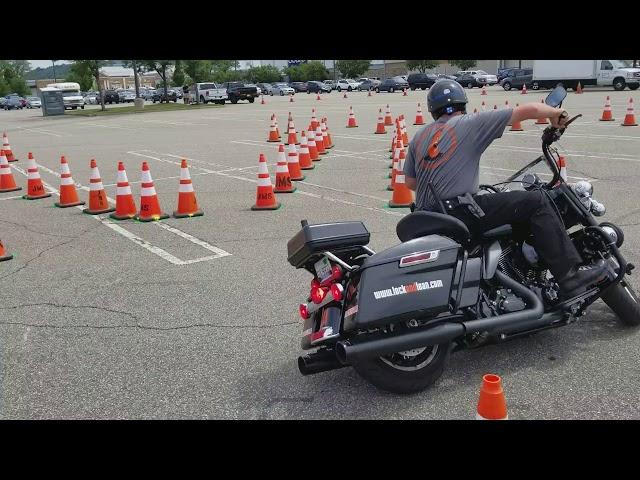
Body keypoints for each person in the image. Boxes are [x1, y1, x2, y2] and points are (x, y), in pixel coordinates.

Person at [403, 79, 607, 298]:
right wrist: (556, 112)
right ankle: (569, 276)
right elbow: (528, 110)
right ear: (463, 104)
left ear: (433, 110)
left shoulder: (419, 136)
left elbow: (411, 183)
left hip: (426, 218)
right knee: (535, 201)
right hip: (458, 212)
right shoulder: (468, 122)